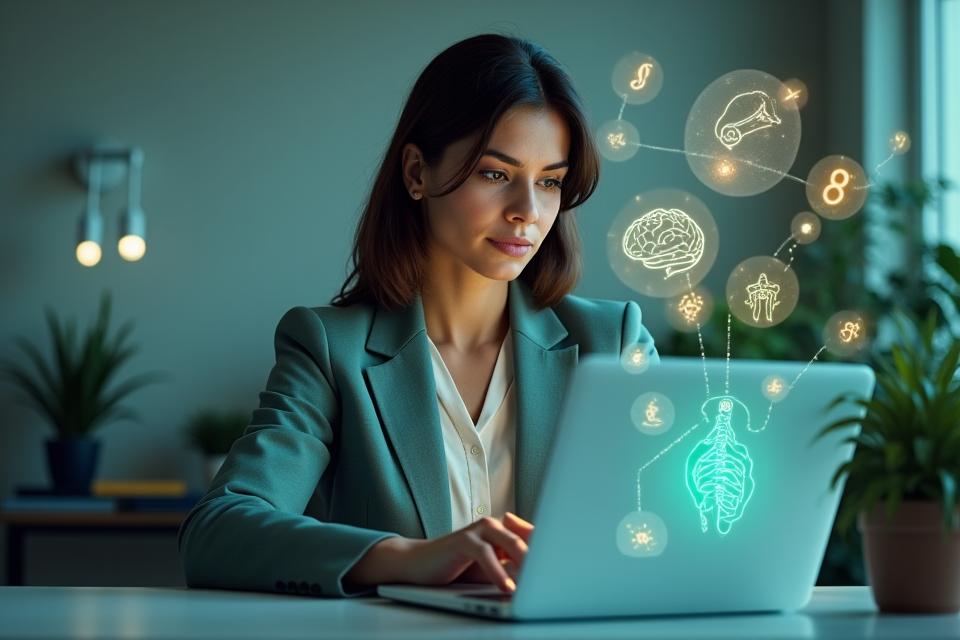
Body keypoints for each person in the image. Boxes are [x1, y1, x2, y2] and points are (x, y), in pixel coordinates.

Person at [178, 33, 659, 599]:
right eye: (495, 173)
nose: (528, 211)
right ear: (416, 173)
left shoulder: (611, 342)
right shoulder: (332, 350)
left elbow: (686, 530)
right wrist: (409, 557)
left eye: (549, 181)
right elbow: (216, 531)